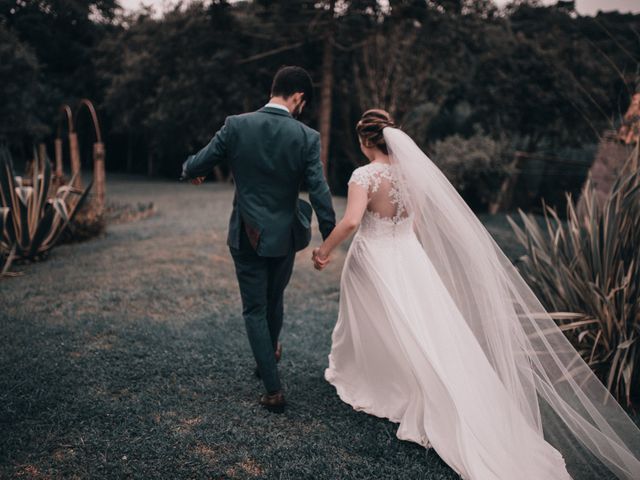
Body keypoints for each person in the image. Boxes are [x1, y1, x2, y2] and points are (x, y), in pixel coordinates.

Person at [311, 109, 640, 479]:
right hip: (407, 256)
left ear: (364, 141)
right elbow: (413, 222)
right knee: (420, 326)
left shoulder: (364, 175)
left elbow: (353, 220)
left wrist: (324, 251)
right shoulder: (412, 175)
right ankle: (404, 379)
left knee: (372, 321)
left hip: (373, 257)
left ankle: (375, 379)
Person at [182, 66, 336, 413]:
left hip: (246, 235)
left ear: (274, 90)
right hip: (285, 235)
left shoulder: (236, 125)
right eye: (302, 103)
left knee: (255, 308)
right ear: (298, 97)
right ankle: (269, 357)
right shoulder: (307, 136)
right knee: (274, 297)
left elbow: (197, 164)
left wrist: (193, 170)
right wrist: (328, 239)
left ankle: (273, 389)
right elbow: (320, 191)